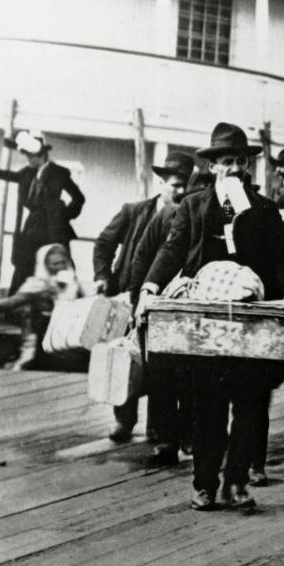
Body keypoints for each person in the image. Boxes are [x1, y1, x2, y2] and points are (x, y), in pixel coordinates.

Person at [136, 122, 284, 512]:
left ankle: (236, 482)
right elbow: (173, 249)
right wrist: (149, 288)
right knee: (206, 409)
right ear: (213, 167)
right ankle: (204, 485)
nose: (233, 168)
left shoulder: (262, 210)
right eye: (225, 162)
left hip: (251, 320)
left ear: (247, 166)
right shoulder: (195, 206)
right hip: (206, 321)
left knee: (250, 407)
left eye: (239, 162)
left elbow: (282, 257)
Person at [93, 150, 194, 444]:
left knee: (160, 365)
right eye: (175, 184)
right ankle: (124, 421)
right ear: (161, 182)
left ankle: (156, 428)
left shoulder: (187, 214)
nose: (181, 190)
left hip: (165, 300)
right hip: (129, 296)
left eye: (185, 184)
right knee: (127, 357)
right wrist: (103, 277)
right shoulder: (133, 211)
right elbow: (103, 243)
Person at [125, 169, 212, 467]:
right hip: (161, 305)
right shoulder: (166, 217)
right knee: (161, 374)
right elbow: (143, 257)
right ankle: (166, 439)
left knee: (189, 376)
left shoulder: (212, 220)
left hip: (193, 306)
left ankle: (186, 434)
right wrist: (138, 299)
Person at [0, 130, 85, 294]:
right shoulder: (27, 173)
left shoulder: (59, 173)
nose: (26, 159)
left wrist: (63, 215)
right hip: (33, 228)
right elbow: (1, 174)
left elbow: (78, 198)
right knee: (23, 266)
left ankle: (70, 305)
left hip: (54, 230)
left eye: (28, 156)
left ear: (39, 155)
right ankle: (15, 306)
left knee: (62, 267)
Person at [0, 243, 83, 370]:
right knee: (29, 360)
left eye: (62, 262)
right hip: (39, 335)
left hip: (69, 335)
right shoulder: (36, 284)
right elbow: (17, 300)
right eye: (55, 264)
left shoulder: (73, 284)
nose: (60, 266)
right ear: (45, 265)